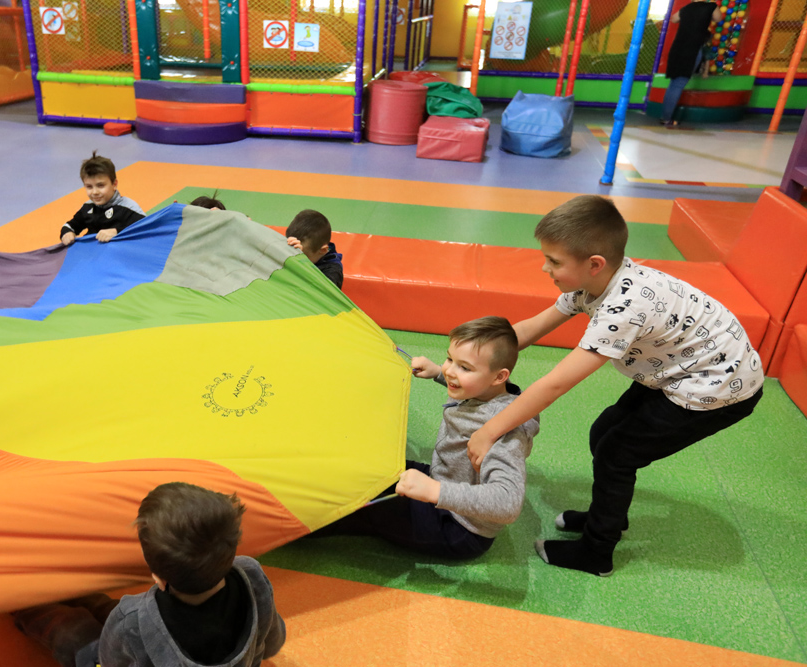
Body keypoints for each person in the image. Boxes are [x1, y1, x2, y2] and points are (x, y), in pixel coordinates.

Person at [465, 195, 763, 576]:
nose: (544, 268)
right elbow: (527, 331)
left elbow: (555, 385)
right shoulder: (593, 284)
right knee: (604, 431)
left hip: (717, 387)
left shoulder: (623, 308)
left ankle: (597, 552)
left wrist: (490, 430)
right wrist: (471, 358)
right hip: (682, 368)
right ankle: (607, 514)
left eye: (554, 261)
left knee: (617, 453)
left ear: (594, 264)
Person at [313, 317, 539, 560]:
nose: (450, 370)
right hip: (442, 478)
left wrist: (435, 491)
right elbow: (469, 382)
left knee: (362, 507)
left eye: (464, 368)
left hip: (458, 528)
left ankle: (299, 525)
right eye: (450, 359)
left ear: (499, 377)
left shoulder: (506, 432)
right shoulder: (490, 390)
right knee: (376, 466)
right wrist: (437, 373)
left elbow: (508, 502)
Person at [13, 482, 286, 667]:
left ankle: (21, 602)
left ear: (158, 578)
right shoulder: (251, 574)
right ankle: (70, 595)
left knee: (72, 631)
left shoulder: (130, 618)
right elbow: (273, 641)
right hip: (140, 627)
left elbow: (109, 661)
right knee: (108, 611)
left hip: (117, 645)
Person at [60, 152, 145, 246]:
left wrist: (117, 232)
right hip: (94, 252)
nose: (95, 192)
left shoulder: (128, 208)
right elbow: (70, 225)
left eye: (100, 185)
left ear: (114, 184)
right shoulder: (88, 207)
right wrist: (67, 233)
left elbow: (146, 229)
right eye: (89, 187)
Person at [661, 0, 722, 128]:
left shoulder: (687, 8)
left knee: (673, 84)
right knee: (678, 84)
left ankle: (666, 117)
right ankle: (666, 118)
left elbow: (674, 19)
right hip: (692, 49)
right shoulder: (711, 6)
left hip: (677, 48)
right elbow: (718, 18)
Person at [285, 209, 343, 290]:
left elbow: (319, 293)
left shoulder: (332, 271)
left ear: (323, 250)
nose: (295, 257)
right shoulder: (311, 251)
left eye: (303, 255)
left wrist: (301, 263)